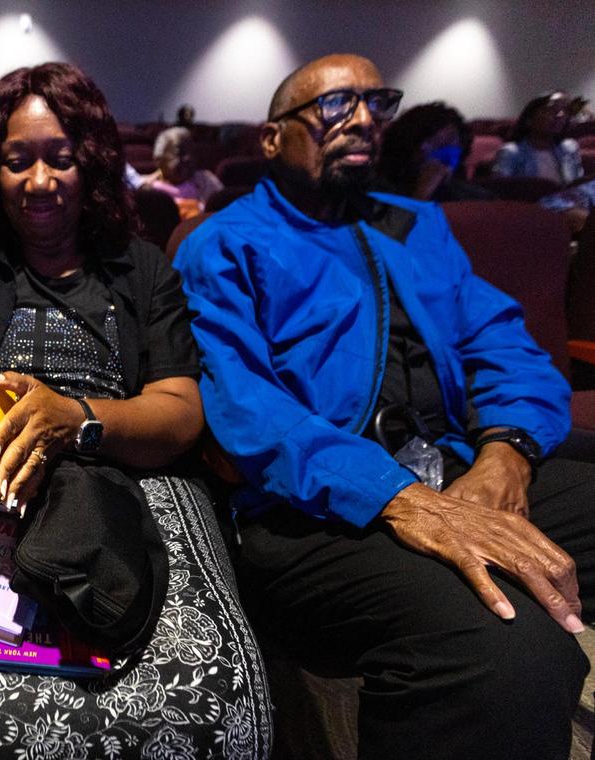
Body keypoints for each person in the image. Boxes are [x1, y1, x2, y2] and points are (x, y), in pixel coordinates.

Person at [173, 53, 595, 760]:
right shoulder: (225, 243)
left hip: (457, 465)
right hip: (313, 510)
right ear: (273, 138)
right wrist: (400, 497)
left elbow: (505, 347)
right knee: (510, 649)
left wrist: (506, 454)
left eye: (379, 102)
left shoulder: (415, 225)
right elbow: (243, 409)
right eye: (336, 106)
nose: (365, 118)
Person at [0, 62, 272, 760]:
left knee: (205, 697)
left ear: (90, 164)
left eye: (61, 159)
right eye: (17, 161)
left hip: (135, 477)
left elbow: (180, 410)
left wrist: (77, 419)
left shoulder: (142, 267)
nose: (40, 182)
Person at [376, 101, 491, 201]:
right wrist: (422, 194)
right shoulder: (379, 192)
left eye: (447, 142)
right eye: (432, 142)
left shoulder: (476, 198)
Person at [493, 91, 584, 183]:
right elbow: (501, 190)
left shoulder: (569, 148)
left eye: (563, 111)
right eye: (550, 111)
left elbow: (577, 185)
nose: (559, 116)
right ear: (529, 119)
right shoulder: (511, 152)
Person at [145, 126, 223, 218]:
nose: (188, 158)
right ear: (158, 160)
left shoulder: (207, 180)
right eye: (179, 153)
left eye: (191, 152)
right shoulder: (149, 190)